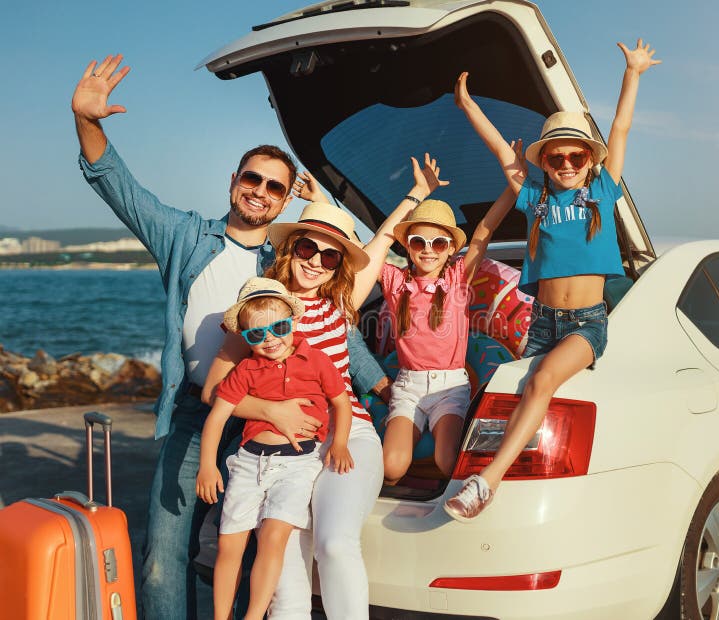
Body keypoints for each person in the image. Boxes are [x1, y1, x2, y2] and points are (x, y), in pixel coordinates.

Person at [70, 54, 389, 618]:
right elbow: (119, 187)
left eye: (274, 185)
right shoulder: (185, 238)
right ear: (234, 182)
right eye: (252, 179)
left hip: (268, 431)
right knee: (164, 558)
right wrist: (88, 122)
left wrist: (388, 392)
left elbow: (336, 322)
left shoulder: (290, 262)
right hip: (199, 416)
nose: (261, 191)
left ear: (286, 199)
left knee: (249, 556)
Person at [206, 154, 450, 619]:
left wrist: (417, 195)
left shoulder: (340, 303)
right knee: (288, 567)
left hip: (348, 437)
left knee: (334, 544)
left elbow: (379, 244)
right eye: (306, 250)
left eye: (330, 254)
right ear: (290, 249)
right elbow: (213, 391)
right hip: (280, 452)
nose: (316, 262)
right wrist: (272, 411)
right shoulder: (261, 310)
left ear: (339, 263)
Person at [444, 39, 661, 521]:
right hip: (541, 322)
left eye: (575, 158)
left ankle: (486, 484)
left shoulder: (603, 191)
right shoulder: (536, 199)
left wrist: (633, 73)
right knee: (517, 397)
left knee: (540, 381)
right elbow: (501, 151)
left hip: (587, 324)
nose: (566, 165)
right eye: (556, 159)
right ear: (545, 162)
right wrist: (467, 105)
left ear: (590, 160)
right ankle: (504, 486)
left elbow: (621, 127)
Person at [197, 278, 353, 620]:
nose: (270, 339)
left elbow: (341, 403)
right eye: (256, 335)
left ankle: (253, 616)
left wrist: (339, 442)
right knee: (229, 545)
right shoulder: (246, 370)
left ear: (292, 323)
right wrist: (207, 465)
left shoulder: (317, 361)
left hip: (298, 465)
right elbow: (217, 417)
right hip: (248, 462)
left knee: (272, 535)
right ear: (245, 338)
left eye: (279, 327)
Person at [368, 189, 516, 483]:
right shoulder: (395, 281)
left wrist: (513, 190)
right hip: (408, 386)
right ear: (407, 247)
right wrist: (320, 200)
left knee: (447, 461)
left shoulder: (457, 278)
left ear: (450, 249)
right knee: (392, 467)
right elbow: (365, 251)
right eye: (418, 242)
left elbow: (484, 231)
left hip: (449, 389)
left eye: (438, 243)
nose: (428, 249)